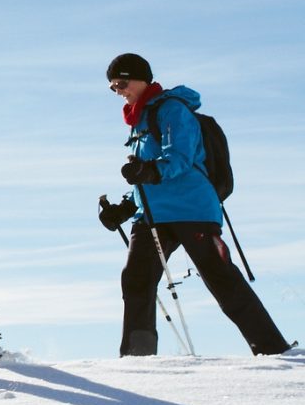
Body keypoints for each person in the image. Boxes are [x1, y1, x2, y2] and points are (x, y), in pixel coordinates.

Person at [97, 54, 290, 357]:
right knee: (135, 281)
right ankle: (137, 358)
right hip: (151, 215)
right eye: (113, 87)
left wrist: (150, 171)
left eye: (122, 83)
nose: (118, 90)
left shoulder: (172, 109)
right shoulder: (138, 120)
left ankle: (274, 350)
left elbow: (181, 157)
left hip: (192, 210)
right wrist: (125, 208)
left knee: (221, 279)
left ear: (141, 79)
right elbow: (143, 174)